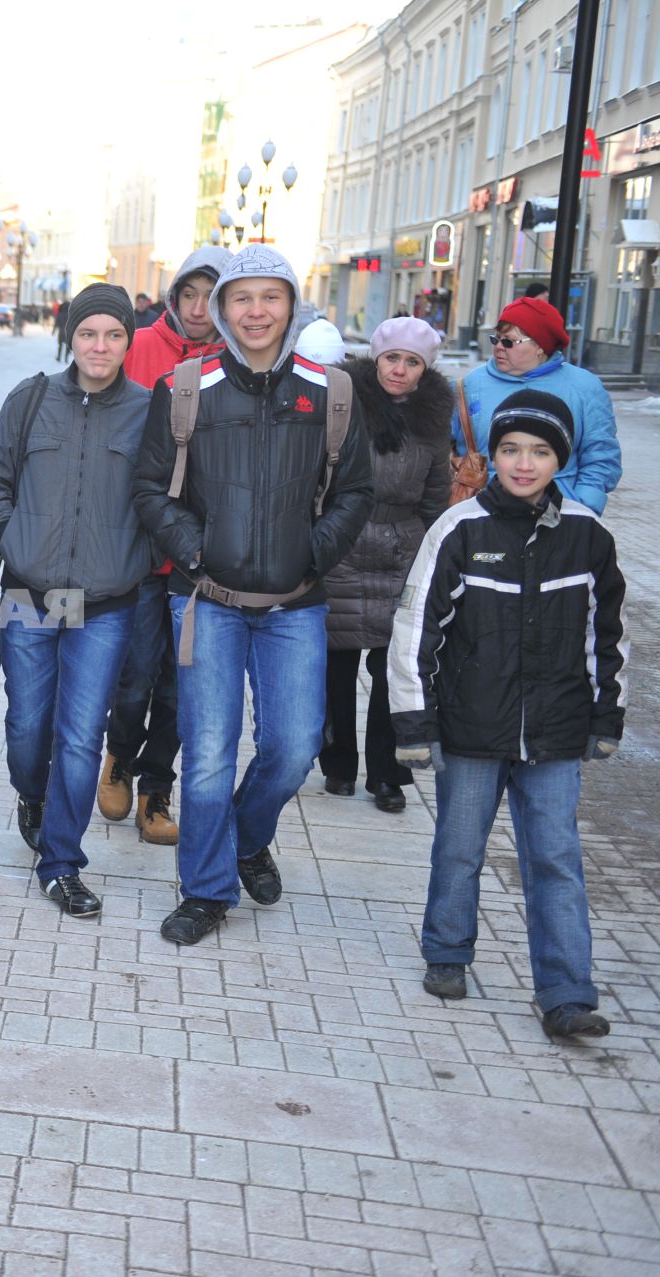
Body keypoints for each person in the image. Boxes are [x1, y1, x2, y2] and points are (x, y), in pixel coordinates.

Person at [132, 245, 374, 945]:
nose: (257, 311)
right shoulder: (185, 385)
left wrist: (314, 550)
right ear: (220, 308)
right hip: (206, 597)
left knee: (295, 745)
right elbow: (151, 487)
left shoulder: (330, 392)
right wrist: (195, 549)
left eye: (271, 297)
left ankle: (245, 836)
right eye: (243, 298)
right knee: (208, 749)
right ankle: (206, 889)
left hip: (295, 603)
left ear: (292, 305)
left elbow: (355, 491)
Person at [390, 388, 627, 1039]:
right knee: (460, 845)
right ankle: (447, 951)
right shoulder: (460, 529)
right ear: (492, 455)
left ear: (560, 459)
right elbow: (416, 629)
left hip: (554, 732)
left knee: (554, 855)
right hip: (473, 728)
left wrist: (608, 714)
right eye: (511, 449)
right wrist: (413, 723)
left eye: (540, 451)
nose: (524, 463)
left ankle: (566, 990)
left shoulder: (586, 534)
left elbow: (605, 635)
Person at [0, 284, 153, 917]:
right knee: (28, 723)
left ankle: (61, 863)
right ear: (70, 338)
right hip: (29, 594)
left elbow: (164, 497)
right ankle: (34, 795)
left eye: (113, 335)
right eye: (88, 334)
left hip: (104, 604)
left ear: (129, 342)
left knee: (80, 736)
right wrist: (7, 531)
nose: (99, 346)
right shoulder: (30, 400)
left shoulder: (149, 412)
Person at [102, 245, 231, 847]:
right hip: (138, 543)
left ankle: (157, 788)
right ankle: (120, 756)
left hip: (203, 554)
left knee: (183, 686)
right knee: (133, 675)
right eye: (189, 295)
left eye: (211, 296)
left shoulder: (236, 358)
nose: (199, 308)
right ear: (174, 297)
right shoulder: (141, 348)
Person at [320, 317, 453, 813]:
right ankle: (337, 763)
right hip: (344, 544)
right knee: (337, 662)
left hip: (403, 552)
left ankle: (387, 773)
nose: (399, 370)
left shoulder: (432, 421)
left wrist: (435, 557)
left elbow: (436, 497)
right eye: (392, 358)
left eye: (412, 362)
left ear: (424, 369)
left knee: (393, 668)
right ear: (376, 359)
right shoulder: (343, 402)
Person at [460, 295, 621, 514]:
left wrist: (583, 506)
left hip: (559, 511)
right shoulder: (471, 384)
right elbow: (451, 447)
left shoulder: (583, 386)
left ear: (539, 346)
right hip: (485, 509)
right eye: (495, 339)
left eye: (508, 341)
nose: (498, 347)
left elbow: (601, 453)